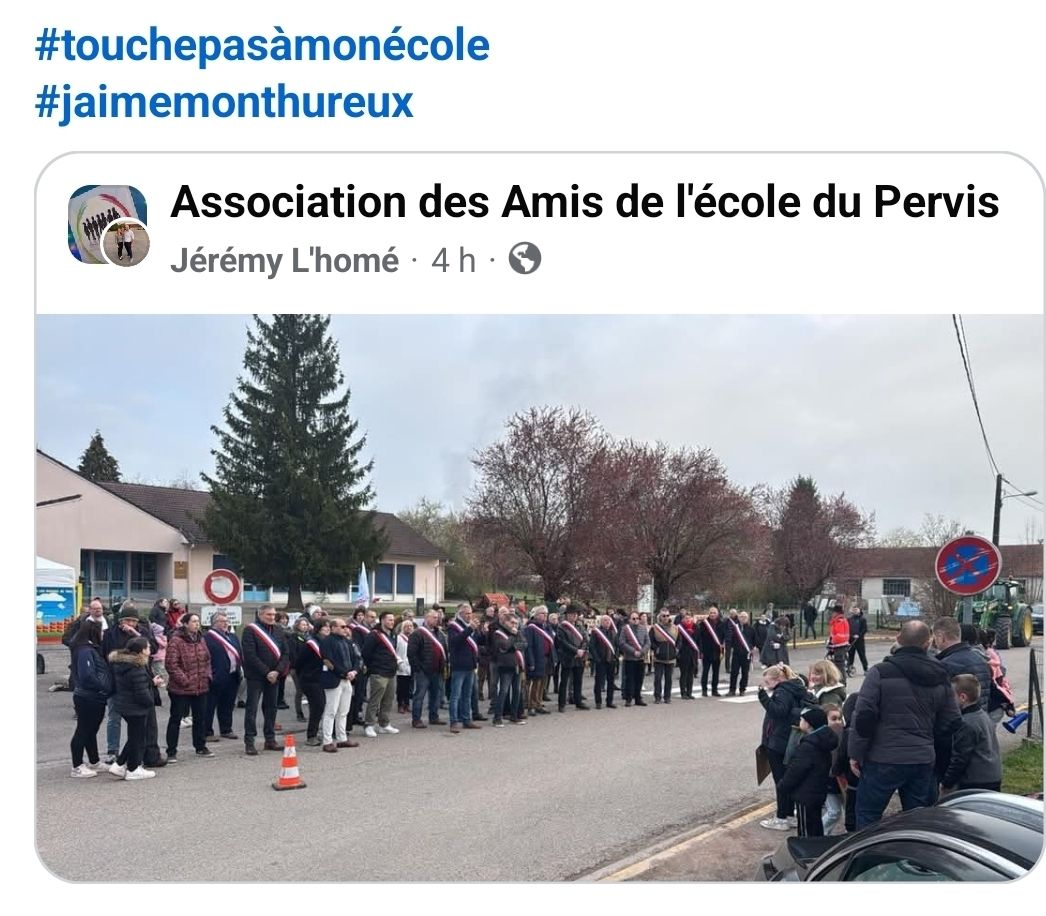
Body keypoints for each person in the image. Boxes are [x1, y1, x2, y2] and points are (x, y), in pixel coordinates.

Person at [848, 620, 962, 829]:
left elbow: (864, 717)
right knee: (918, 821)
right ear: (927, 643)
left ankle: (872, 850)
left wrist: (855, 753)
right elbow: (952, 719)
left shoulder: (880, 673)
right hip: (922, 758)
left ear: (898, 639)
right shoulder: (940, 674)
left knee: (868, 817)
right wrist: (929, 740)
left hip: (882, 758)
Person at [101, 601, 163, 768]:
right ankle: (114, 752)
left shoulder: (141, 631)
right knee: (116, 718)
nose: (130, 624)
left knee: (147, 723)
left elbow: (153, 648)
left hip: (142, 679)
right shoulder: (110, 634)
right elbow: (105, 656)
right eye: (127, 620)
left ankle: (150, 755)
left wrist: (136, 634)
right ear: (120, 621)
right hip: (119, 682)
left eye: (134, 621)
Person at [758, 664, 813, 830]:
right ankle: (789, 814)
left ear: (779, 679)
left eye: (768, 682)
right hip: (788, 739)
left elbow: (779, 711)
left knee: (781, 781)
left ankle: (782, 817)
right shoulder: (795, 688)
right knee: (788, 778)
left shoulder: (782, 691)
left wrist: (763, 697)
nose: (767, 686)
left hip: (778, 741)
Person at [777, 706, 839, 838]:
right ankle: (817, 845)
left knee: (806, 830)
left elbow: (796, 771)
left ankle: (808, 849)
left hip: (805, 794)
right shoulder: (824, 741)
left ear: (809, 724)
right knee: (815, 825)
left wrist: (783, 786)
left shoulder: (808, 746)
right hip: (818, 791)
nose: (800, 721)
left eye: (802, 720)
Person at [164, 612, 214, 762]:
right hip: (181, 689)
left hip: (200, 686)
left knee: (200, 718)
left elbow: (207, 659)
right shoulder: (176, 640)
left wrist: (207, 676)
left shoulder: (201, 639)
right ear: (185, 624)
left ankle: (200, 746)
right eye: (193, 621)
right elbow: (171, 664)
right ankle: (171, 751)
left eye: (198, 621)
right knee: (176, 719)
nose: (197, 624)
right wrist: (185, 680)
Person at [940, 674, 1002, 793]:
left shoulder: (967, 723)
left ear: (963, 697)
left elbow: (960, 757)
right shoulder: (983, 715)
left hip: (975, 781)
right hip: (992, 776)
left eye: (951, 696)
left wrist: (947, 783)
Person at [241, 605, 289, 756]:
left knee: (271, 708)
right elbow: (250, 654)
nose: (272, 617)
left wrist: (277, 671)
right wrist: (267, 672)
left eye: (273, 614)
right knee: (252, 709)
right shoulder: (250, 630)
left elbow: (285, 653)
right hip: (256, 676)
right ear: (260, 615)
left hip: (274, 676)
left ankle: (270, 739)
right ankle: (250, 741)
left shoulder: (278, 630)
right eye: (269, 614)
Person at [107, 636, 156, 780]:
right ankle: (133, 768)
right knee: (138, 739)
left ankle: (120, 764)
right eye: (147, 647)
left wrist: (151, 683)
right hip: (135, 707)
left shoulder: (122, 664)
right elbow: (141, 692)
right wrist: (150, 702)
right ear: (141, 651)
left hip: (125, 704)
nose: (149, 650)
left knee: (135, 736)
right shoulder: (136, 667)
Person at [69, 619, 112, 777]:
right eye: (101, 631)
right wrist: (103, 686)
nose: (103, 635)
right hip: (87, 696)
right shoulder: (85, 651)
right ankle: (77, 766)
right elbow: (87, 675)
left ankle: (94, 761)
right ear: (94, 632)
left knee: (91, 730)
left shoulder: (91, 649)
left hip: (95, 697)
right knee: (83, 730)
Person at [932, 616, 991, 711]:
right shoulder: (981, 660)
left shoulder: (946, 664)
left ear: (941, 637)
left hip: (958, 718)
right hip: (980, 716)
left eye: (935, 638)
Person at [318, 618, 360, 752]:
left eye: (346, 626)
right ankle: (327, 741)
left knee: (343, 711)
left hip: (347, 679)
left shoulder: (347, 641)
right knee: (331, 711)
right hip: (334, 679)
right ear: (333, 628)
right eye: (342, 627)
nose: (345, 629)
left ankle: (342, 738)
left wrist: (354, 671)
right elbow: (328, 661)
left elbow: (356, 657)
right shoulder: (327, 642)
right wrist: (344, 673)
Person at [362, 610, 402, 737]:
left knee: (388, 699)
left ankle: (384, 724)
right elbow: (366, 653)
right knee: (375, 700)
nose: (392, 622)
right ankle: (369, 725)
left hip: (391, 671)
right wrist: (374, 667)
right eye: (389, 620)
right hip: (379, 671)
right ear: (382, 620)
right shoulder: (374, 635)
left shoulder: (393, 634)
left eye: (393, 620)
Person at [204, 611, 242, 741]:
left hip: (232, 675)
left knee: (228, 704)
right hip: (216, 676)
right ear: (214, 623)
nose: (226, 623)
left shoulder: (233, 637)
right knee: (210, 705)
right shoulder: (207, 637)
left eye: (227, 621)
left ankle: (226, 729)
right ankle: (207, 732)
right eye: (222, 621)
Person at [408, 609, 448, 727]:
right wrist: (418, 668)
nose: (437, 619)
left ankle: (434, 717)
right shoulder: (417, 633)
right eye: (434, 617)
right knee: (419, 696)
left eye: (438, 617)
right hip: (423, 671)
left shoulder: (440, 633)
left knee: (435, 695)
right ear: (427, 618)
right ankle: (416, 719)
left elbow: (444, 650)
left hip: (437, 670)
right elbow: (411, 653)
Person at [447, 604, 482, 733]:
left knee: (467, 695)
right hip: (459, 665)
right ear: (460, 614)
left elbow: (478, 642)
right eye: (467, 613)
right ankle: (454, 721)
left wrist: (482, 631)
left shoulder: (470, 626)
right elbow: (455, 641)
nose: (469, 615)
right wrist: (470, 629)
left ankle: (466, 719)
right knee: (455, 695)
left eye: (470, 613)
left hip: (470, 665)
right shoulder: (453, 626)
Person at [295, 618, 329, 745]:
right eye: (325, 626)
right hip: (310, 678)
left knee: (320, 706)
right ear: (318, 628)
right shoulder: (311, 643)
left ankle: (316, 732)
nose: (327, 629)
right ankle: (311, 735)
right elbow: (299, 661)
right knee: (317, 705)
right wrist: (304, 674)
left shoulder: (326, 642)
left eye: (328, 626)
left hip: (321, 679)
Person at [490, 608, 525, 727]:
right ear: (505, 622)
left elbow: (524, 644)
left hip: (517, 665)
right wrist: (513, 638)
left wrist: (514, 646)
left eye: (516, 623)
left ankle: (514, 716)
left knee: (517, 691)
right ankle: (497, 718)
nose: (514, 625)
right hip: (505, 665)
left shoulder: (517, 632)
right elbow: (504, 646)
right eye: (512, 623)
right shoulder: (498, 633)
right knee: (504, 691)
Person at [555, 604, 590, 712]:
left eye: (575, 614)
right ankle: (561, 704)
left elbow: (585, 639)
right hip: (568, 656)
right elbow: (563, 642)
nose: (574, 616)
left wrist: (581, 650)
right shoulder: (562, 627)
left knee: (578, 681)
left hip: (579, 657)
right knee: (564, 682)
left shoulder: (580, 626)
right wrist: (576, 650)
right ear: (567, 615)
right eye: (571, 614)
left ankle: (578, 701)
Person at [979, 628, 1016, 724]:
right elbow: (1001, 683)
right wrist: (1009, 704)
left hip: (989, 708)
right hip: (994, 706)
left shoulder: (985, 660)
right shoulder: (993, 656)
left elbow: (998, 685)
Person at [820, 703, 846, 834]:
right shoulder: (820, 738)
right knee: (834, 811)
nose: (837, 722)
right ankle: (819, 835)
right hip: (828, 780)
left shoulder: (844, 735)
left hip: (841, 779)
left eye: (839, 719)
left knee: (847, 810)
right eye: (833, 719)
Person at [524, 605, 554, 715]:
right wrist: (531, 661)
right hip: (536, 658)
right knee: (534, 683)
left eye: (546, 614)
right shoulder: (531, 627)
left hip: (546, 658)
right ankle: (531, 705)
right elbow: (529, 646)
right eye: (542, 613)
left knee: (542, 683)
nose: (545, 616)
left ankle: (538, 703)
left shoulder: (546, 627)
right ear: (536, 615)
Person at [619, 611, 649, 707]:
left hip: (640, 658)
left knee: (639, 679)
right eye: (633, 618)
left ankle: (638, 698)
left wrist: (642, 651)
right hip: (630, 658)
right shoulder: (625, 629)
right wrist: (633, 651)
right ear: (629, 620)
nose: (636, 620)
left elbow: (647, 642)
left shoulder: (643, 628)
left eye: (637, 618)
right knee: (629, 679)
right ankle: (628, 698)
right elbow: (622, 643)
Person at [589, 614, 619, 709]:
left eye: (609, 620)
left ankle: (609, 701)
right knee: (598, 682)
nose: (607, 622)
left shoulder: (613, 632)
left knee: (611, 681)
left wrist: (616, 656)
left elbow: (616, 645)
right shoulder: (596, 632)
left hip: (611, 660)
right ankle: (598, 702)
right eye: (605, 620)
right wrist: (596, 658)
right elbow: (592, 646)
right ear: (601, 622)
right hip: (601, 660)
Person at [649, 609, 678, 704]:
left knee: (669, 679)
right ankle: (657, 697)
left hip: (671, 657)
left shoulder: (675, 628)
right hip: (659, 658)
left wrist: (677, 649)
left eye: (667, 615)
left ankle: (667, 697)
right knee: (658, 679)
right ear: (660, 617)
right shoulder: (654, 628)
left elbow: (679, 641)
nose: (666, 617)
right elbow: (650, 641)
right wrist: (656, 649)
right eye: (663, 616)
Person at [286, 616, 312, 722]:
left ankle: (312, 713)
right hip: (296, 668)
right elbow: (293, 654)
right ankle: (299, 714)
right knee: (300, 690)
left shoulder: (309, 637)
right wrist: (298, 665)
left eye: (306, 624)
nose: (305, 626)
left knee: (310, 691)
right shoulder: (293, 637)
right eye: (302, 624)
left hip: (308, 668)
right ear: (297, 625)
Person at [725, 611, 757, 696]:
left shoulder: (751, 629)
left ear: (747, 618)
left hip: (746, 654)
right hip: (736, 653)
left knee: (745, 673)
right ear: (738, 618)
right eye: (741, 617)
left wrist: (752, 648)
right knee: (734, 672)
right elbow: (730, 638)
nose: (743, 618)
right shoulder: (735, 628)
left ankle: (742, 689)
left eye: (745, 617)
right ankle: (732, 690)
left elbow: (754, 641)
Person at [698, 606, 726, 697]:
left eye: (714, 613)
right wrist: (701, 650)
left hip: (717, 651)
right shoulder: (703, 624)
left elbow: (724, 636)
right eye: (711, 613)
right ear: (708, 613)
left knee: (716, 672)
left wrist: (723, 645)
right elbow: (700, 638)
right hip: (706, 651)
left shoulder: (721, 624)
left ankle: (714, 690)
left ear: (717, 614)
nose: (712, 614)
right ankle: (704, 690)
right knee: (705, 671)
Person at [675, 609, 700, 699]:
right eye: (686, 618)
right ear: (683, 619)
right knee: (684, 674)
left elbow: (698, 640)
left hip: (693, 653)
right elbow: (677, 641)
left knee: (691, 674)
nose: (688, 619)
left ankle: (689, 692)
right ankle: (683, 693)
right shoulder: (679, 628)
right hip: (683, 653)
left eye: (689, 618)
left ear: (692, 618)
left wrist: (699, 652)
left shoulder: (696, 627)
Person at [826, 606, 850, 685]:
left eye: (833, 612)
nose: (832, 614)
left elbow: (839, 636)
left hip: (839, 646)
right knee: (838, 664)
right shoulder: (838, 621)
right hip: (839, 645)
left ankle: (842, 682)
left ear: (836, 613)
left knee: (839, 665)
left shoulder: (839, 621)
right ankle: (840, 681)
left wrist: (831, 641)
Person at [396, 618, 414, 714]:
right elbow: (395, 651)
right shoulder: (399, 638)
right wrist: (399, 662)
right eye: (407, 626)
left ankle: (407, 704)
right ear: (403, 628)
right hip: (402, 666)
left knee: (409, 687)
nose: (409, 628)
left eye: (411, 626)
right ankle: (400, 704)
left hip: (411, 666)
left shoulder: (414, 638)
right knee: (401, 687)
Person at [847, 605, 869, 674]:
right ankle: (849, 668)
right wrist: (850, 636)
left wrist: (859, 635)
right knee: (850, 655)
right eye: (854, 610)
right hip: (851, 640)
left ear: (859, 610)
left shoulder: (862, 619)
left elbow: (864, 629)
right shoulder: (849, 619)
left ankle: (865, 669)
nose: (855, 611)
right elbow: (847, 629)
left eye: (856, 609)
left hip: (859, 641)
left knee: (862, 655)